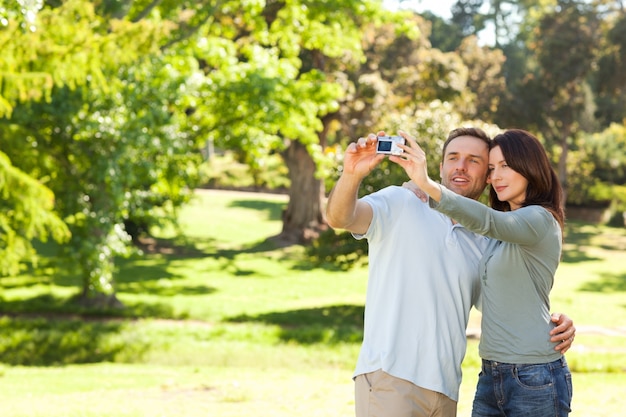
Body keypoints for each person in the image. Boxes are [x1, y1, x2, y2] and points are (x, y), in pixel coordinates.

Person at [325, 127, 575, 417]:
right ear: (440, 166)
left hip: (446, 388)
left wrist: (554, 321)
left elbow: (503, 298)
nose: (461, 166)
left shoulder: (487, 239)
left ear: (486, 177)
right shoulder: (399, 202)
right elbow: (340, 217)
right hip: (390, 376)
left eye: (475, 161)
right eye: (453, 157)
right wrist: (352, 175)